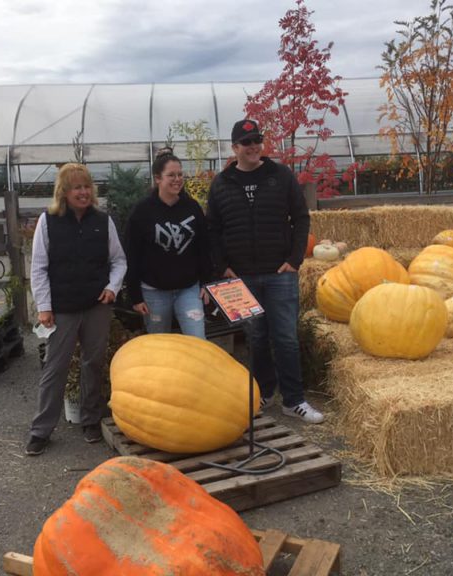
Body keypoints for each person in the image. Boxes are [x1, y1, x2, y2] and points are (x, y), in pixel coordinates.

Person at [206, 119, 324, 424]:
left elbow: (300, 218)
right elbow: (213, 230)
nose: (253, 147)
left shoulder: (280, 176)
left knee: (285, 338)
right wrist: (222, 267)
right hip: (241, 278)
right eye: (246, 143)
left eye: (257, 140)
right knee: (256, 338)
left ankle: (294, 400)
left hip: (279, 273)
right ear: (234, 148)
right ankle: (263, 392)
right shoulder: (221, 184)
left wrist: (295, 260)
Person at [26, 163, 127, 456]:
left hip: (97, 305)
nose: (83, 192)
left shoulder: (102, 221)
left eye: (86, 186)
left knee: (92, 363)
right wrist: (44, 306)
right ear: (64, 192)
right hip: (63, 308)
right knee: (55, 368)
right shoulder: (49, 221)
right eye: (76, 188)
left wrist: (113, 287)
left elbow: (119, 260)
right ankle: (41, 430)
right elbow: (39, 267)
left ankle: (90, 419)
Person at [124, 151, 211, 338]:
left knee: (198, 341)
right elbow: (132, 254)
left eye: (180, 174)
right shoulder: (142, 211)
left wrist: (206, 282)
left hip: (189, 289)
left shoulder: (192, 208)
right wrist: (135, 296)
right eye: (171, 175)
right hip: (154, 292)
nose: (177, 179)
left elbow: (204, 247)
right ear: (158, 178)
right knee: (159, 345)